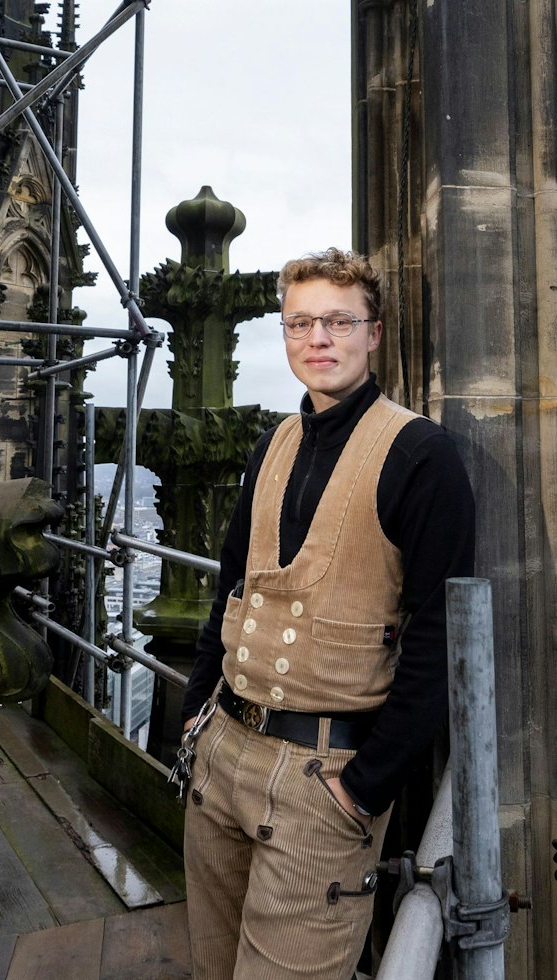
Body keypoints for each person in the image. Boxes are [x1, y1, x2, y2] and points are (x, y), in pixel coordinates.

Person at [179, 248, 476, 979]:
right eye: (300, 322)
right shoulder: (271, 444)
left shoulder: (420, 455)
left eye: (339, 321)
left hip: (323, 782)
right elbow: (231, 586)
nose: (318, 338)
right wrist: (193, 714)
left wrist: (364, 788)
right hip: (222, 754)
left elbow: (438, 637)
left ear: (374, 334)